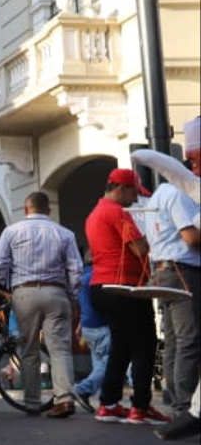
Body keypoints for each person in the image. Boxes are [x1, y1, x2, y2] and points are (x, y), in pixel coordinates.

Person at [85, 168, 169, 425]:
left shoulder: (94, 214)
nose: (135, 200)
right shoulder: (116, 212)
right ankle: (140, 407)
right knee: (145, 343)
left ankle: (108, 403)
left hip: (100, 287)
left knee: (121, 345)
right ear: (121, 188)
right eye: (134, 192)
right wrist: (155, 238)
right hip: (124, 288)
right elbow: (139, 248)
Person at [0, 191, 83, 418]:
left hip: (24, 292)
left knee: (29, 348)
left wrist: (7, 284)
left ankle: (32, 401)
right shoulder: (64, 233)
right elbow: (76, 269)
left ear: (26, 210)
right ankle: (65, 399)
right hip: (56, 291)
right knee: (60, 349)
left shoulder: (11, 231)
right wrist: (71, 294)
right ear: (48, 210)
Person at [144, 178, 200, 416]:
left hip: (163, 270)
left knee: (174, 342)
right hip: (181, 271)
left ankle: (177, 402)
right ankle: (185, 406)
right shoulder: (178, 194)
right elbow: (191, 237)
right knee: (189, 340)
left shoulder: (157, 196)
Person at [74, 260, 109, 408]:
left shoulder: (82, 277)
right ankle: (81, 389)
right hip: (101, 325)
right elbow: (101, 303)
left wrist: (80, 325)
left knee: (99, 365)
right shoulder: (98, 275)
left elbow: (82, 304)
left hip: (88, 326)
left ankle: (105, 402)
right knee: (109, 363)